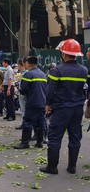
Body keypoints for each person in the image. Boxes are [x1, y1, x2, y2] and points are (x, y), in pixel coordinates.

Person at [40, 39, 88, 175]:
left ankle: (52, 167)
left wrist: (48, 105)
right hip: (77, 108)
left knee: (55, 138)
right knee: (75, 137)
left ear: (64, 54)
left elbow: (50, 91)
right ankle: (72, 166)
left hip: (61, 109)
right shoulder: (84, 70)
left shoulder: (57, 71)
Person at [14, 56, 47, 149]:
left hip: (32, 102)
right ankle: (40, 142)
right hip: (42, 102)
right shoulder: (43, 74)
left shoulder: (28, 75)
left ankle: (25, 143)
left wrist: (20, 90)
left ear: (28, 63)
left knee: (27, 122)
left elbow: (23, 89)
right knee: (41, 122)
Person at [15, 58, 28, 130]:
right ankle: (24, 123)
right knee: (23, 109)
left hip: (24, 95)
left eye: (18, 66)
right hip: (21, 94)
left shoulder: (26, 73)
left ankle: (25, 124)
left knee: (24, 110)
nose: (18, 67)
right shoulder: (22, 73)